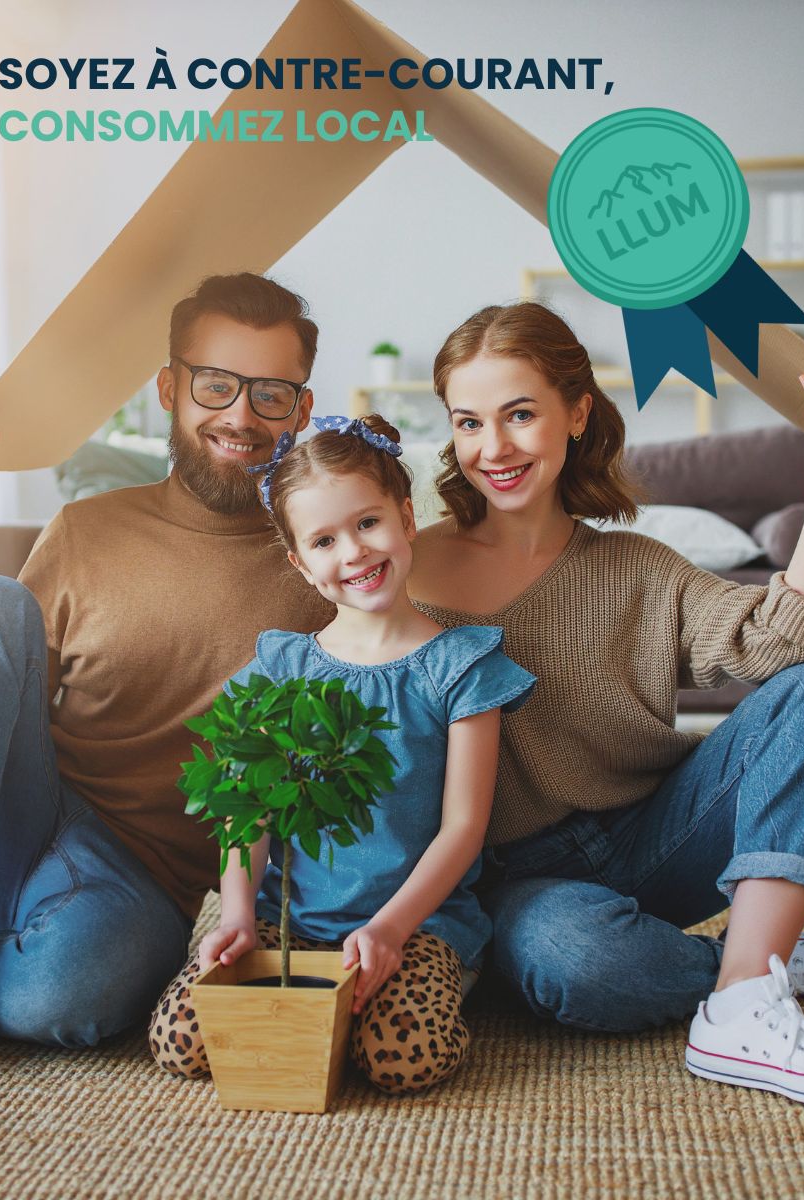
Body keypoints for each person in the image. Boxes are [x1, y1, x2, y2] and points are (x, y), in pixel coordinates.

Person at [407, 300, 804, 1105]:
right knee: (582, 967)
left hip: (658, 832)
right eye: (469, 422)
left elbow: (777, 648)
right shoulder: (408, 574)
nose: (495, 448)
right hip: (520, 877)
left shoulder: (639, 565)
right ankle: (764, 962)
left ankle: (739, 1002)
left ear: (577, 411)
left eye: (520, 414)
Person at [0, 273, 334, 1047]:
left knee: (66, 998)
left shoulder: (330, 554)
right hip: (51, 819)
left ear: (301, 410)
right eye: (215, 385)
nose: (240, 415)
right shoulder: (83, 529)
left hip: (167, 885)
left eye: (270, 393)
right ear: (170, 388)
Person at [149, 413, 535, 1094]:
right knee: (182, 1041)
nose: (353, 553)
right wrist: (237, 916)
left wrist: (389, 932)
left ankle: (449, 977)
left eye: (367, 523)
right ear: (300, 562)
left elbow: (464, 827)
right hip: (284, 921)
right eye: (324, 540)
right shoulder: (279, 667)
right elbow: (246, 813)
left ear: (407, 518)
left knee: (400, 1060)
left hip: (414, 922)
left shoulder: (461, 665)